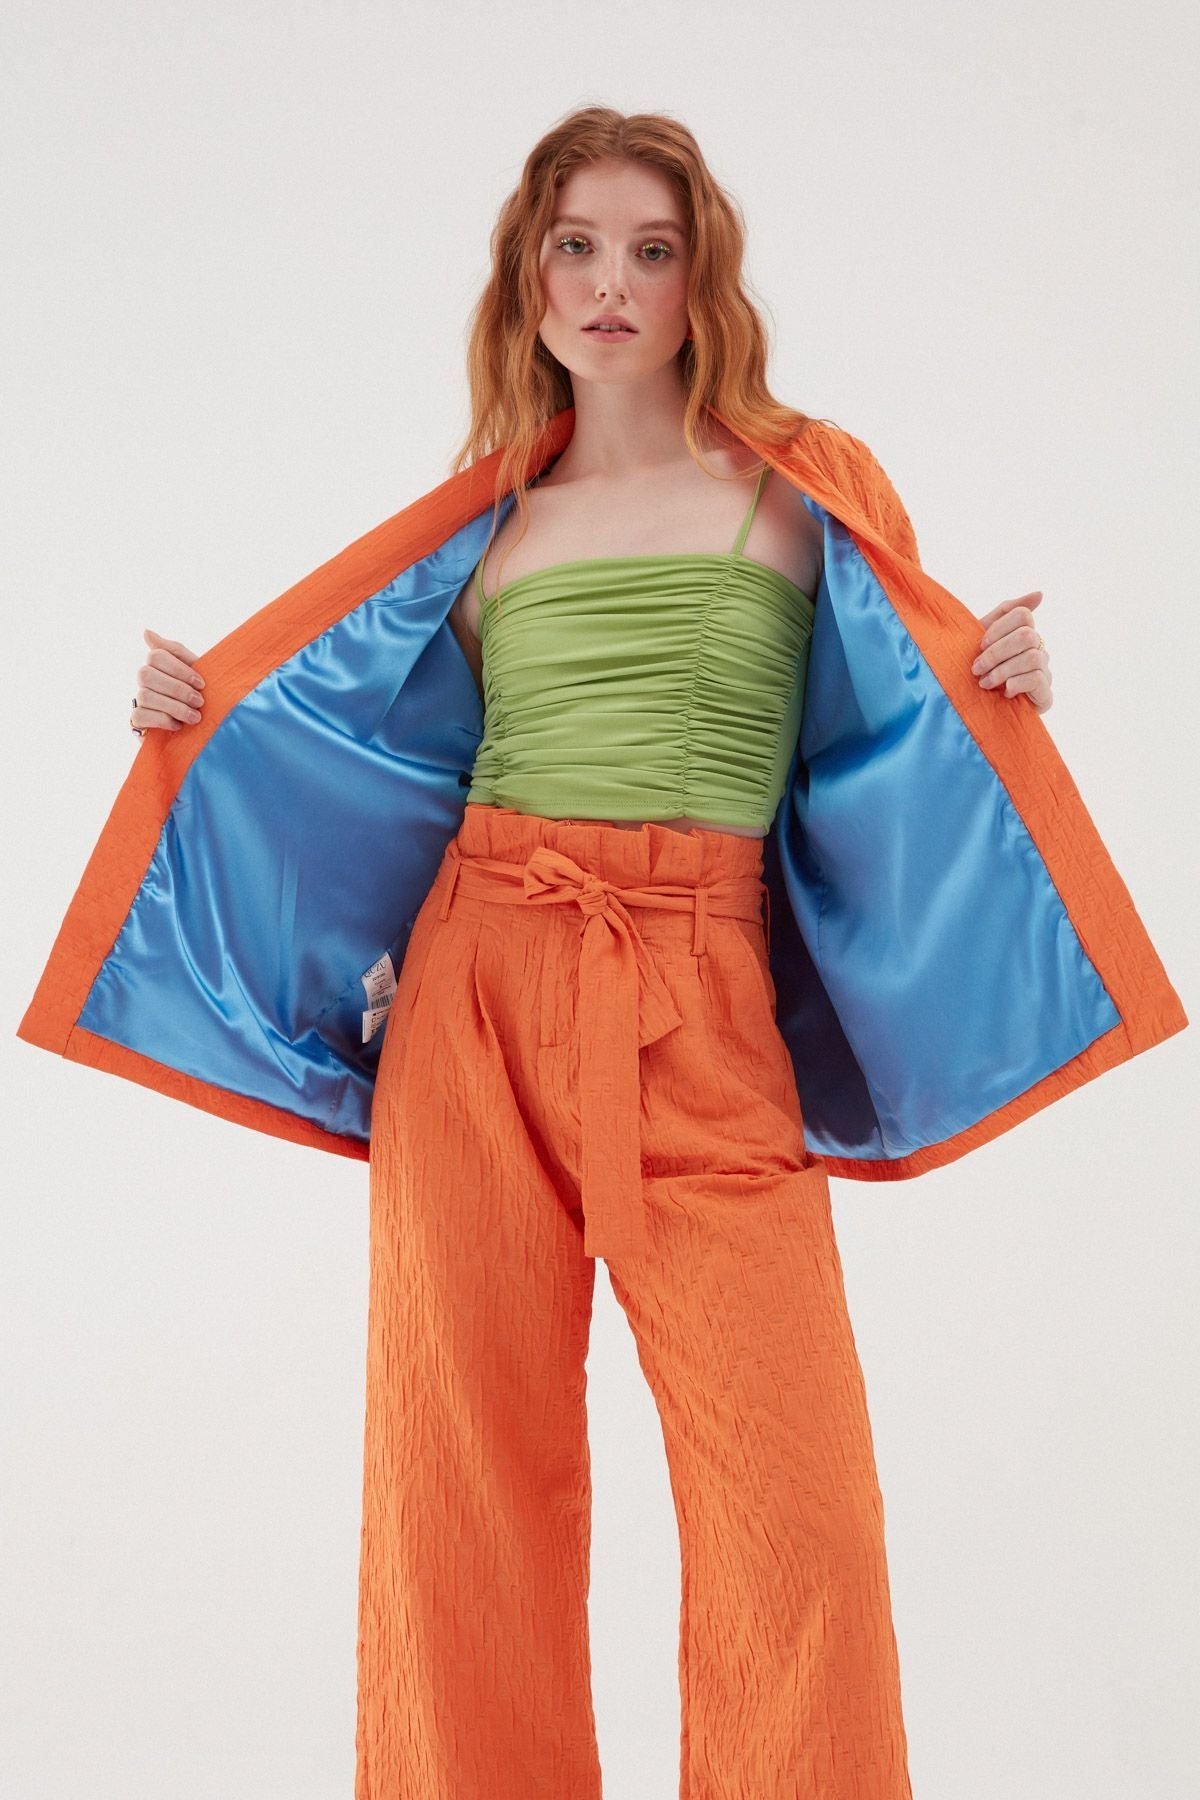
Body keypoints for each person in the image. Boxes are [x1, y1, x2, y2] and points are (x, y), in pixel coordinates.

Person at [27, 106, 1182, 1800]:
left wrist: (1003, 681)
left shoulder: (803, 484)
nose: (612, 284)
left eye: (652, 248)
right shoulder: (491, 520)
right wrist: (194, 717)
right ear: (530, 276)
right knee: (462, 1483)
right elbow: (348, 750)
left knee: (798, 1510)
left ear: (704, 277)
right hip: (477, 985)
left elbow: (898, 713)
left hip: (697, 994)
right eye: (576, 247)